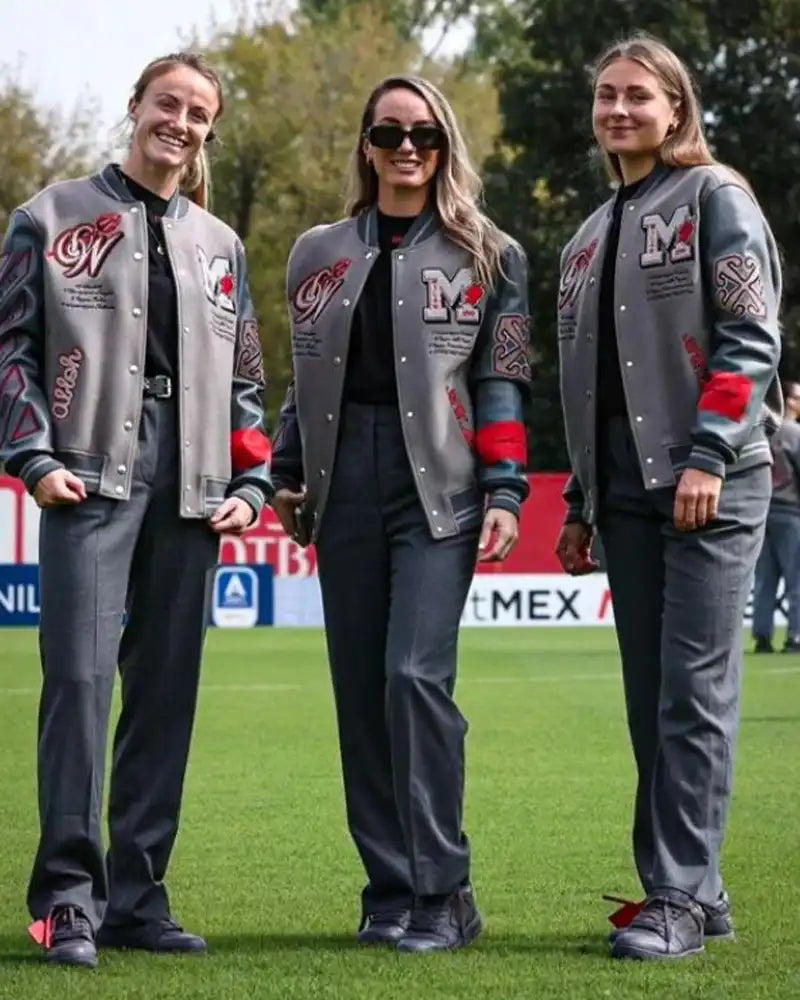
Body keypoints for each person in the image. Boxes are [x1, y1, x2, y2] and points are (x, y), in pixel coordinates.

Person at [0, 51, 272, 968]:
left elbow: (246, 380)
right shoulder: (50, 215)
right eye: (169, 103)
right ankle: (68, 899)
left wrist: (250, 482)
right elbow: (11, 352)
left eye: (200, 112)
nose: (182, 122)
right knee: (79, 684)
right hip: (86, 468)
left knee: (165, 695)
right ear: (136, 107)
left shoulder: (222, 245)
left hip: (192, 488)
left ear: (208, 131)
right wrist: (32, 458)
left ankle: (139, 895)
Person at [270, 74, 531, 953]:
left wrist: (506, 490)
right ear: (367, 145)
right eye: (389, 132)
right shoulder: (316, 252)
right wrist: (285, 473)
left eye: (423, 133)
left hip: (441, 488)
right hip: (343, 488)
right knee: (358, 693)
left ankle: (443, 890)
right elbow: (304, 377)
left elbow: (499, 382)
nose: (407, 147)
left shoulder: (491, 252)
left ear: (445, 142)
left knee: (413, 679)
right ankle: (387, 889)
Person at [555, 34, 782, 961]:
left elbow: (751, 335)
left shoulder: (715, 196)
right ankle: (700, 890)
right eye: (606, 94)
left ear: (676, 110)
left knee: (692, 690)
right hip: (623, 486)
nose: (619, 110)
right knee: (653, 697)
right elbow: (588, 380)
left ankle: (676, 896)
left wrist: (710, 454)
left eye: (638, 96)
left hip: (709, 482)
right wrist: (578, 501)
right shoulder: (587, 233)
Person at [752, 380, 800, 652]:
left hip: (762, 510)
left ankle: (762, 636)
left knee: (764, 579)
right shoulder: (794, 433)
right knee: (797, 579)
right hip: (790, 511)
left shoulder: (759, 429)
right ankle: (795, 635)